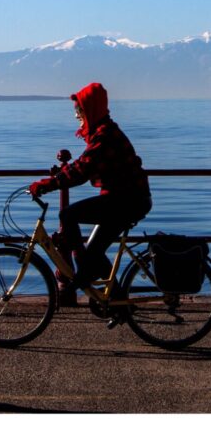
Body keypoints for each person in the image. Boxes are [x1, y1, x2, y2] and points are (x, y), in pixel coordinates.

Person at [29, 82, 151, 287]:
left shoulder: (104, 136)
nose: (77, 115)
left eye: (79, 110)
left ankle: (85, 272)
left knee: (68, 215)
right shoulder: (104, 132)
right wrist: (58, 178)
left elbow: (82, 170)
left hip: (127, 200)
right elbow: (83, 164)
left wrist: (46, 184)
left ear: (91, 109)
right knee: (93, 252)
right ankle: (115, 301)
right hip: (127, 198)